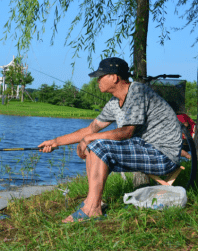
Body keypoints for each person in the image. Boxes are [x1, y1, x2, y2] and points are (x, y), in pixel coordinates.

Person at [38, 57, 182, 222]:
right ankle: (92, 203)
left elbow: (127, 132)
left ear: (114, 77)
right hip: (143, 149)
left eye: (101, 76)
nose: (97, 80)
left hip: (162, 156)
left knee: (99, 145)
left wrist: (89, 138)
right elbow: (90, 129)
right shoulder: (114, 103)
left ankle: (92, 208)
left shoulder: (137, 91)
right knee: (95, 143)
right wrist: (55, 142)